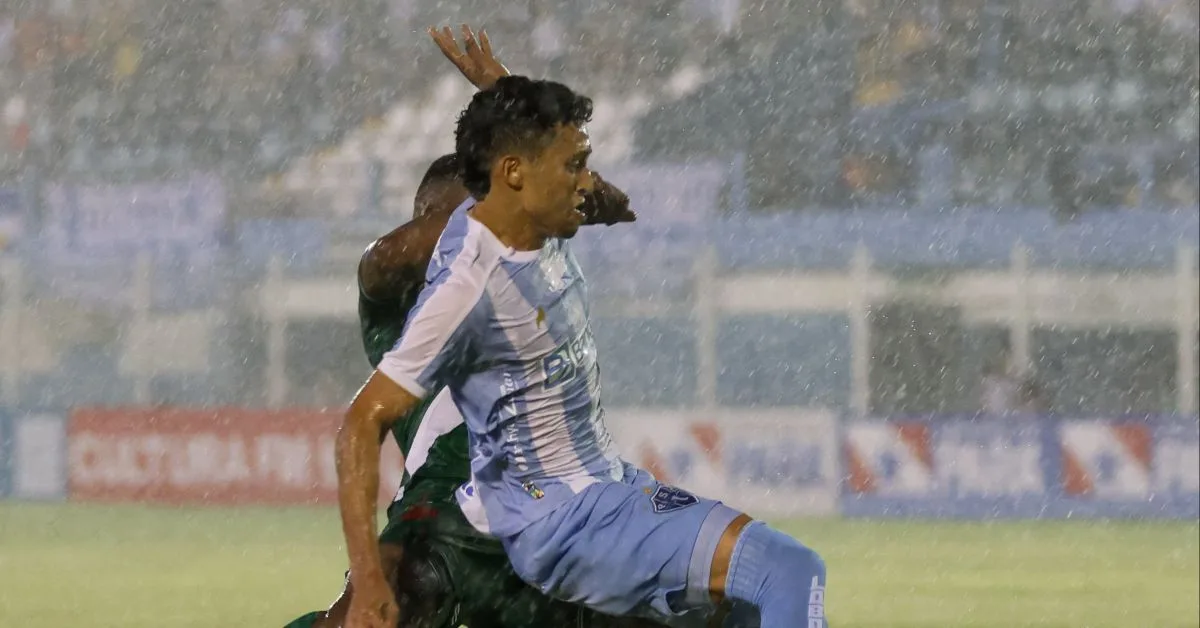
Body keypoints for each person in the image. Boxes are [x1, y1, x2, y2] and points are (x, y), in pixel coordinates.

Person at [335, 73, 828, 628]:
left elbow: (612, 200)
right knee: (787, 570)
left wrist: (505, 95)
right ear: (513, 174)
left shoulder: (538, 221)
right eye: (573, 167)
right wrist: (370, 580)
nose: (585, 183)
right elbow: (360, 423)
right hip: (569, 521)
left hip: (606, 486)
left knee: (737, 612)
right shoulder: (466, 286)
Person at [285, 27, 652, 628]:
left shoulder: (523, 291)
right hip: (443, 517)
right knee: (380, 604)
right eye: (458, 215)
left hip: (551, 507)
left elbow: (604, 197)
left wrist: (508, 104)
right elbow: (388, 256)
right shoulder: (399, 303)